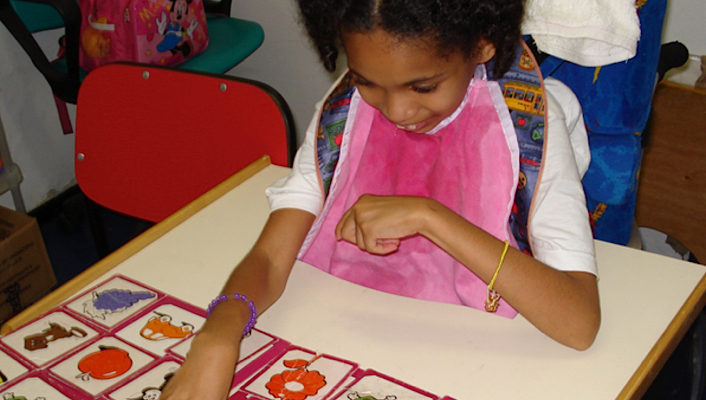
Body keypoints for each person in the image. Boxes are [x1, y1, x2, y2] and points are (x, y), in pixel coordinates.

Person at [161, 0, 600, 399]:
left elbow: (579, 323)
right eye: (366, 81)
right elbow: (272, 257)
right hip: (346, 345)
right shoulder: (342, 114)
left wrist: (427, 216)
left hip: (476, 364)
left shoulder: (528, 126)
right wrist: (218, 335)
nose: (395, 111)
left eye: (423, 87)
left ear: (482, 46)